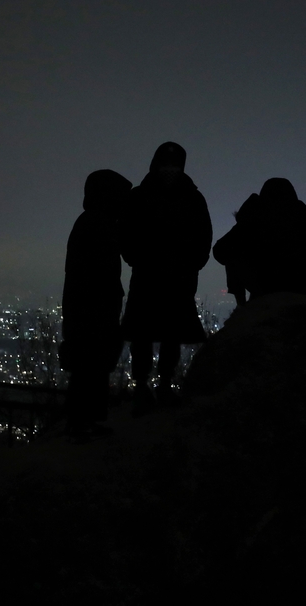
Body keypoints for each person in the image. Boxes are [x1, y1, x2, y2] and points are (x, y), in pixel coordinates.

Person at [121, 142, 212, 412]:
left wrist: (192, 264)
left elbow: (203, 236)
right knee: (146, 333)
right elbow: (126, 233)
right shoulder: (182, 197)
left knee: (162, 333)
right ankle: (145, 386)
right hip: (157, 277)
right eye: (167, 164)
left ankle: (158, 385)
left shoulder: (188, 198)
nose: (170, 170)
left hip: (170, 278)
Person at [59, 169, 132, 437]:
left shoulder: (93, 222)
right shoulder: (97, 225)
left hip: (90, 309)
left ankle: (84, 422)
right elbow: (94, 274)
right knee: (90, 367)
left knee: (90, 367)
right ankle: (82, 423)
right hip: (93, 311)